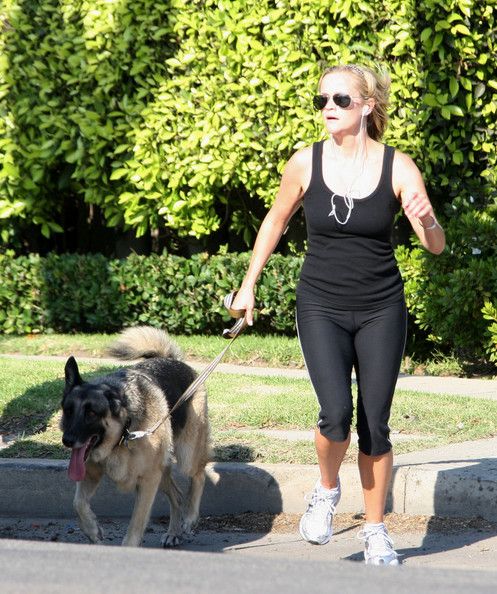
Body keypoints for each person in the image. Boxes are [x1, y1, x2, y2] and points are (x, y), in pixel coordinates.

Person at [231, 63, 446, 565]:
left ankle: (375, 530)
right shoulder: (305, 163)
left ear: (368, 106)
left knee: (376, 424)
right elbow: (275, 221)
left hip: (381, 309)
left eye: (341, 99)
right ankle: (327, 489)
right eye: (323, 99)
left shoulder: (399, 167)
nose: (329, 107)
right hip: (321, 305)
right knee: (335, 415)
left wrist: (426, 217)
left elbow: (434, 245)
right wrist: (248, 284)